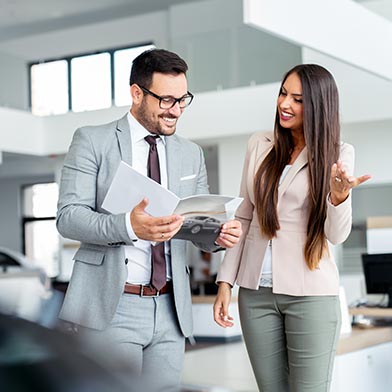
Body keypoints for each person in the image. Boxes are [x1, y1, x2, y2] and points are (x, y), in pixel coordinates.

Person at [56, 48, 241, 391]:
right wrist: (129, 225)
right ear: (137, 93)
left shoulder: (190, 153)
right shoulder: (92, 140)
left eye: (183, 99)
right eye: (167, 100)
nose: (176, 110)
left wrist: (217, 236)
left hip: (171, 308)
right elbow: (69, 218)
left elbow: (193, 225)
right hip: (112, 306)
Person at [213, 64, 371, 392]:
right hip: (255, 296)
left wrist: (339, 198)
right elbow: (243, 216)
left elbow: (336, 235)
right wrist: (226, 281)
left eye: (297, 99)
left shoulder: (338, 153)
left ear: (318, 105)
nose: (285, 104)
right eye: (283, 93)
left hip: (311, 296)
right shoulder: (260, 144)